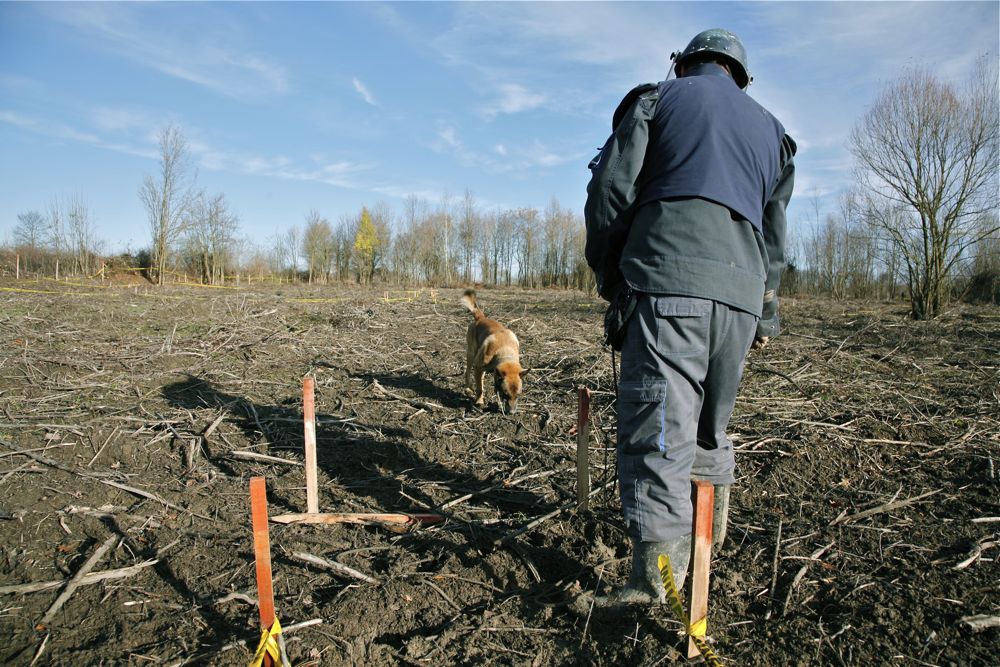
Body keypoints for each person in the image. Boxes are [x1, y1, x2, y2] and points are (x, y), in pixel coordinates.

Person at [583, 28, 796, 604]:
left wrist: (612, 275)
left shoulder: (657, 100)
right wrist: (764, 313)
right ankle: (707, 545)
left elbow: (610, 193)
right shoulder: (774, 133)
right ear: (739, 75)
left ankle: (657, 587)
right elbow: (775, 237)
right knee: (708, 427)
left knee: (658, 435)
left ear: (686, 63)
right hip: (742, 297)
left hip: (668, 284)